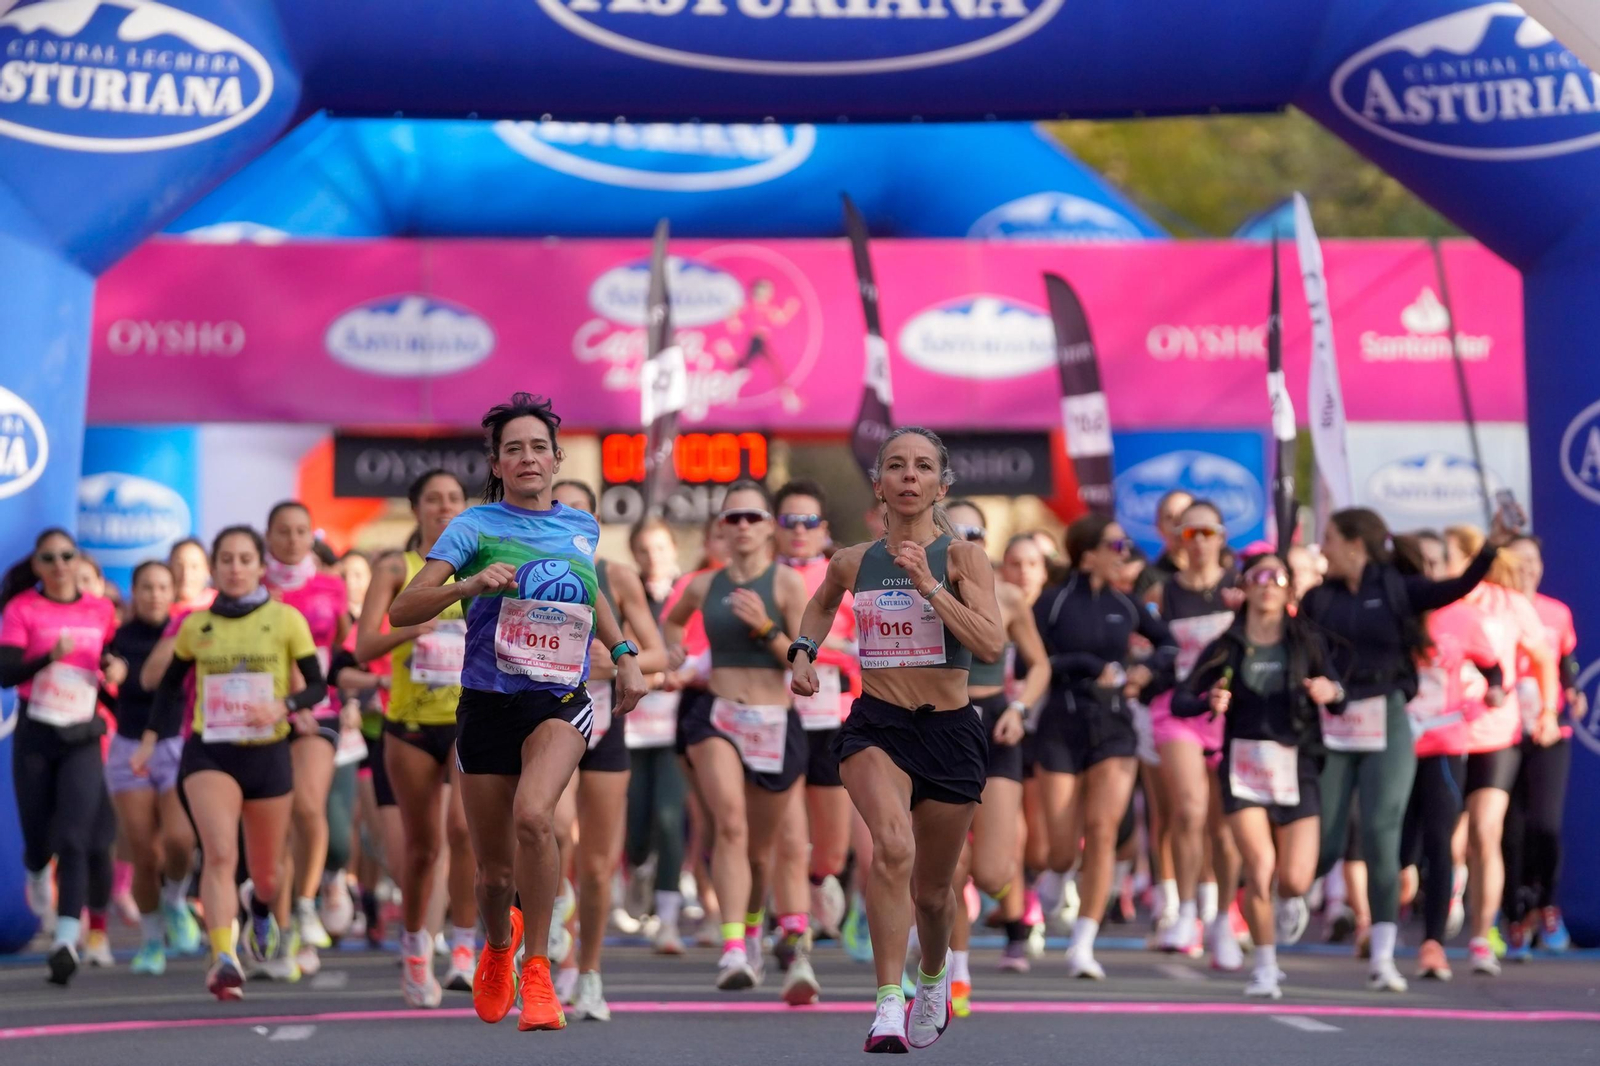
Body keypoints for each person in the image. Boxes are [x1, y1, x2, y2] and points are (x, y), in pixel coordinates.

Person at [389, 392, 646, 1033]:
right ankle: (498, 949)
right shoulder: (472, 528)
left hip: (559, 698)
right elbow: (402, 610)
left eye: (538, 447)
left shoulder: (581, 525)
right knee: (494, 873)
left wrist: (624, 652)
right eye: (514, 449)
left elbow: (591, 594)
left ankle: (539, 972)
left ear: (557, 459)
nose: (528, 457)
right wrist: (470, 584)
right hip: (487, 703)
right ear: (497, 464)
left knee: (537, 815)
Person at [790, 427, 1004, 1053]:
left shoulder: (964, 559)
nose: (909, 476)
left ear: (941, 483)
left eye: (923, 467)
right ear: (879, 483)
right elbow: (821, 604)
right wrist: (803, 652)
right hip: (877, 725)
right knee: (889, 846)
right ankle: (888, 1002)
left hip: (951, 730)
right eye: (896, 466)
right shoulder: (853, 561)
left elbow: (991, 645)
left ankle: (933, 975)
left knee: (934, 893)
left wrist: (931, 587)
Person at [1302, 506, 1510, 992]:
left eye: (1329, 538)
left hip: (1390, 715)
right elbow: (1305, 653)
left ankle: (1383, 951)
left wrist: (1490, 548)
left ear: (1355, 543)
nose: (1323, 548)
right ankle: (1297, 892)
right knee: (1330, 841)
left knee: (1382, 830)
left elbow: (1451, 590)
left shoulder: (1395, 588)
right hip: (1337, 722)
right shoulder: (1318, 599)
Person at [136, 525, 328, 1001]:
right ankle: (224, 956)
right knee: (220, 853)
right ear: (215, 568)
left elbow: (317, 686)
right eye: (227, 560)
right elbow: (167, 691)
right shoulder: (196, 625)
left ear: (260, 566)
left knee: (267, 874)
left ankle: (259, 908)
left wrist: (284, 705)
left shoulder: (286, 619)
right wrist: (147, 742)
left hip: (268, 754)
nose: (236, 568)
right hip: (210, 752)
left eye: (245, 559)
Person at [663, 481, 817, 1002]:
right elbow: (672, 624)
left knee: (762, 850)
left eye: (754, 517)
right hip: (718, 717)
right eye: (734, 518)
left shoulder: (788, 586)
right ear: (722, 529)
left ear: (770, 526)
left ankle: (754, 929)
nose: (744, 526)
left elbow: (803, 660)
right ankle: (732, 946)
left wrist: (767, 628)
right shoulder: (705, 587)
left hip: (774, 721)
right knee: (728, 823)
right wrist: (674, 657)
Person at [1175, 548, 1344, 999]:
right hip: (1244, 767)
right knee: (1260, 865)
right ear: (1245, 587)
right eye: (1259, 576)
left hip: (1297, 763)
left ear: (1288, 587)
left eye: (1277, 577)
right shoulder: (1227, 644)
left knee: (1294, 878)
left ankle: (1291, 902)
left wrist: (1331, 690)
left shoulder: (1305, 640)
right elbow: (1180, 700)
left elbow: (1339, 692)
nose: (1268, 584)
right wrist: (1208, 700)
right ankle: (1265, 966)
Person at [353, 470, 478, 1006]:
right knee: (423, 848)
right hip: (407, 722)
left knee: (464, 830)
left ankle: (467, 950)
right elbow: (362, 648)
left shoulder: (482, 565)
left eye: (454, 499)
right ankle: (415, 952)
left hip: (469, 716)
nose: (444, 507)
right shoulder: (394, 567)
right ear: (416, 509)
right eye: (434, 500)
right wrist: (413, 629)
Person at [1032, 514, 1176, 980]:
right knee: (1059, 845)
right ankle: (1056, 876)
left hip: (1113, 727)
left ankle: (1083, 944)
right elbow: (1030, 661)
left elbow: (1169, 646)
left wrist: (1147, 670)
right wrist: (1087, 664)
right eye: (1116, 547)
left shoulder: (1128, 604)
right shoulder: (1051, 603)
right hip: (1060, 723)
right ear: (1087, 552)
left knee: (1102, 829)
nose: (1126, 555)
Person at [550, 479, 667, 1021]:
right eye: (559, 509)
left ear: (594, 524)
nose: (568, 519)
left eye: (579, 512)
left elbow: (661, 655)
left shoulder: (616, 576)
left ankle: (589, 972)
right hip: (547, 716)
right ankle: (554, 910)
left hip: (605, 723)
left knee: (598, 866)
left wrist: (621, 662)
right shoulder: (525, 570)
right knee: (554, 826)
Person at [0, 529, 122, 985]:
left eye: (66, 555)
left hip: (83, 735)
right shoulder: (21, 609)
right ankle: (36, 873)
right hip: (37, 732)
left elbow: (112, 659)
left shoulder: (101, 609)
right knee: (39, 840)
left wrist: (116, 668)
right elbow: (6, 672)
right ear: (37, 567)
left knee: (75, 838)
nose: (58, 564)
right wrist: (48, 656)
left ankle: (66, 939)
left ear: (78, 560)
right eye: (48, 557)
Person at [942, 500, 1049, 1016]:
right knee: (949, 866)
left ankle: (1010, 897)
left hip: (997, 728)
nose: (966, 541)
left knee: (989, 872)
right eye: (955, 531)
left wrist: (1022, 708)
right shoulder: (920, 593)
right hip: (940, 728)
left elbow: (1040, 666)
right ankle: (955, 972)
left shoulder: (1008, 597)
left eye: (975, 533)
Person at [1443, 525, 1557, 977]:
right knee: (1452, 839)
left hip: (1496, 732)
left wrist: (1547, 710)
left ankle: (1479, 937)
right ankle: (1452, 884)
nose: (1442, 567)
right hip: (1443, 733)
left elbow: (1544, 657)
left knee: (1486, 833)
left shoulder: (1507, 603)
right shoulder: (1438, 600)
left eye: (1450, 557)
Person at [1392, 535, 1502, 982]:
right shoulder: (1394, 612)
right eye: (1421, 563)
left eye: (1436, 563)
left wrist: (1495, 686)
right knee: (1398, 852)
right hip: (1393, 744)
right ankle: (1385, 917)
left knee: (1441, 842)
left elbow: (1492, 664)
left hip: (1444, 740)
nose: (1429, 572)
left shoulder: (1462, 616)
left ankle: (1433, 943)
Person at [1145, 500, 1243, 969]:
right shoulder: (1165, 593)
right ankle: (1185, 912)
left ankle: (1223, 918)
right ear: (1177, 540)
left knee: (1225, 828)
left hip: (1229, 714)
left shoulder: (1238, 589)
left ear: (1222, 537)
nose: (1199, 543)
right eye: (1189, 534)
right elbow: (1147, 647)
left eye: (1208, 533)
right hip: (1177, 710)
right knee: (1188, 809)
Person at [262, 500, 352, 979]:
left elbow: (342, 651)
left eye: (301, 531)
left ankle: (305, 903)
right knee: (271, 831)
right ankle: (280, 936)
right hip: (262, 713)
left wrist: (349, 697)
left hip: (319, 710)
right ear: (268, 536)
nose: (293, 540)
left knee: (307, 807)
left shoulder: (332, 587)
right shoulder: (255, 589)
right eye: (283, 531)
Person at [771, 479, 859, 945]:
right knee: (784, 828)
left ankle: (815, 878)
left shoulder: (843, 576)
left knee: (831, 848)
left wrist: (836, 649)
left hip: (833, 715)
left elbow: (868, 646)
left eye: (809, 522)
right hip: (775, 716)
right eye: (789, 522)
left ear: (823, 529)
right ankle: (788, 916)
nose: (799, 531)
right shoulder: (759, 576)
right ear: (775, 528)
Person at [104, 560, 202, 975]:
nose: (155, 594)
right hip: (130, 750)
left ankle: (176, 900)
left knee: (180, 841)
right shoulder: (117, 639)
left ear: (173, 590)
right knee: (144, 855)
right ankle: (150, 941)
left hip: (176, 745)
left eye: (163, 586)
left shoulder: (188, 633)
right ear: (134, 592)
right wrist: (116, 680)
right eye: (146, 587)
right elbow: (109, 690)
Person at [1503, 534, 1581, 957]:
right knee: (1509, 831)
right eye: (1518, 561)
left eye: (1533, 560)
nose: (1527, 568)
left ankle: (1546, 902)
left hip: (1549, 731)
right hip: (1502, 732)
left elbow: (1564, 662)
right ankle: (1515, 915)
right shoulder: (1494, 609)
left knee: (1545, 826)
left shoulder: (1557, 612)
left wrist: (1571, 693)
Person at [624, 516, 690, 954]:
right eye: (645, 550)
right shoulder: (625, 593)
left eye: (661, 549)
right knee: (633, 826)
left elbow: (700, 650)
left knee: (670, 820)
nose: (654, 558)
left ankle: (667, 920)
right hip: (628, 725)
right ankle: (637, 868)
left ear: (675, 551)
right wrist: (652, 667)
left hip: (675, 726)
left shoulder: (691, 594)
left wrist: (682, 670)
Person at [1133, 490, 1194, 597]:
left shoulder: (1222, 568)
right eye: (1169, 517)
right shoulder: (1149, 578)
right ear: (1159, 527)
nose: (1178, 523)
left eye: (1184, 514)